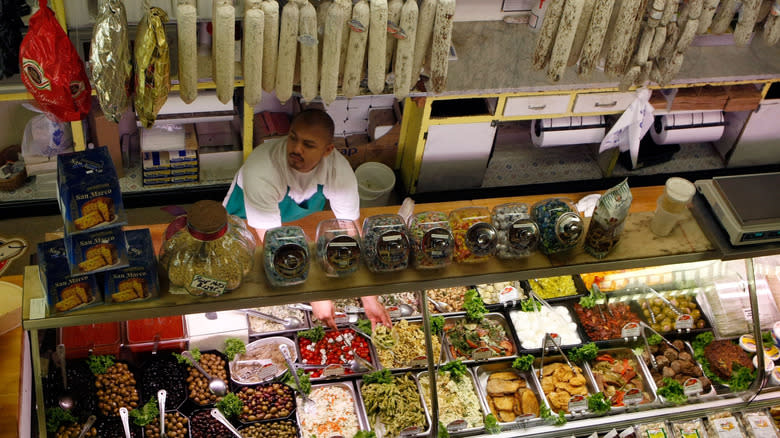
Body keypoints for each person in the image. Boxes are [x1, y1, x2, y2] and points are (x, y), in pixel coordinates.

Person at [223, 108, 390, 329]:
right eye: (293, 138)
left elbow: (350, 230)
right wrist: (315, 294)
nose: (296, 149)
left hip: (300, 214)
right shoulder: (262, 168)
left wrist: (367, 294)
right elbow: (274, 244)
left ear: (327, 150)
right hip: (249, 215)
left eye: (309, 145)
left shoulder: (338, 171)